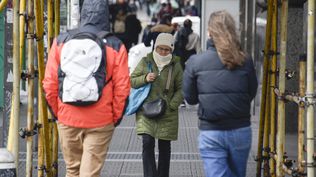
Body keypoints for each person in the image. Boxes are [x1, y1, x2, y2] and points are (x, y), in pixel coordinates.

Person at [42, 0, 130, 176]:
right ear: (106, 16)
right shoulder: (115, 45)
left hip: (68, 117)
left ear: (82, 15)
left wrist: (59, 113)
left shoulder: (61, 41)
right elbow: (122, 88)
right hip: (101, 119)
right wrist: (114, 118)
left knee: (73, 169)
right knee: (89, 173)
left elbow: (49, 83)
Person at [182, 10, 258, 177]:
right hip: (240, 130)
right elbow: (251, 92)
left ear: (209, 31)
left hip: (211, 131)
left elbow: (190, 98)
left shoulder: (196, 62)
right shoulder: (245, 60)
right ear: (232, 30)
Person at [131, 33, 183, 177]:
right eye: (160, 48)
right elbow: (132, 81)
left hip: (168, 112)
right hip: (146, 110)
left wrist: (172, 105)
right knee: (147, 143)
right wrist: (145, 78)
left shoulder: (176, 65)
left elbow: (181, 88)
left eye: (167, 50)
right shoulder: (145, 61)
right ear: (155, 47)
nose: (163, 52)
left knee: (165, 147)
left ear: (171, 50)